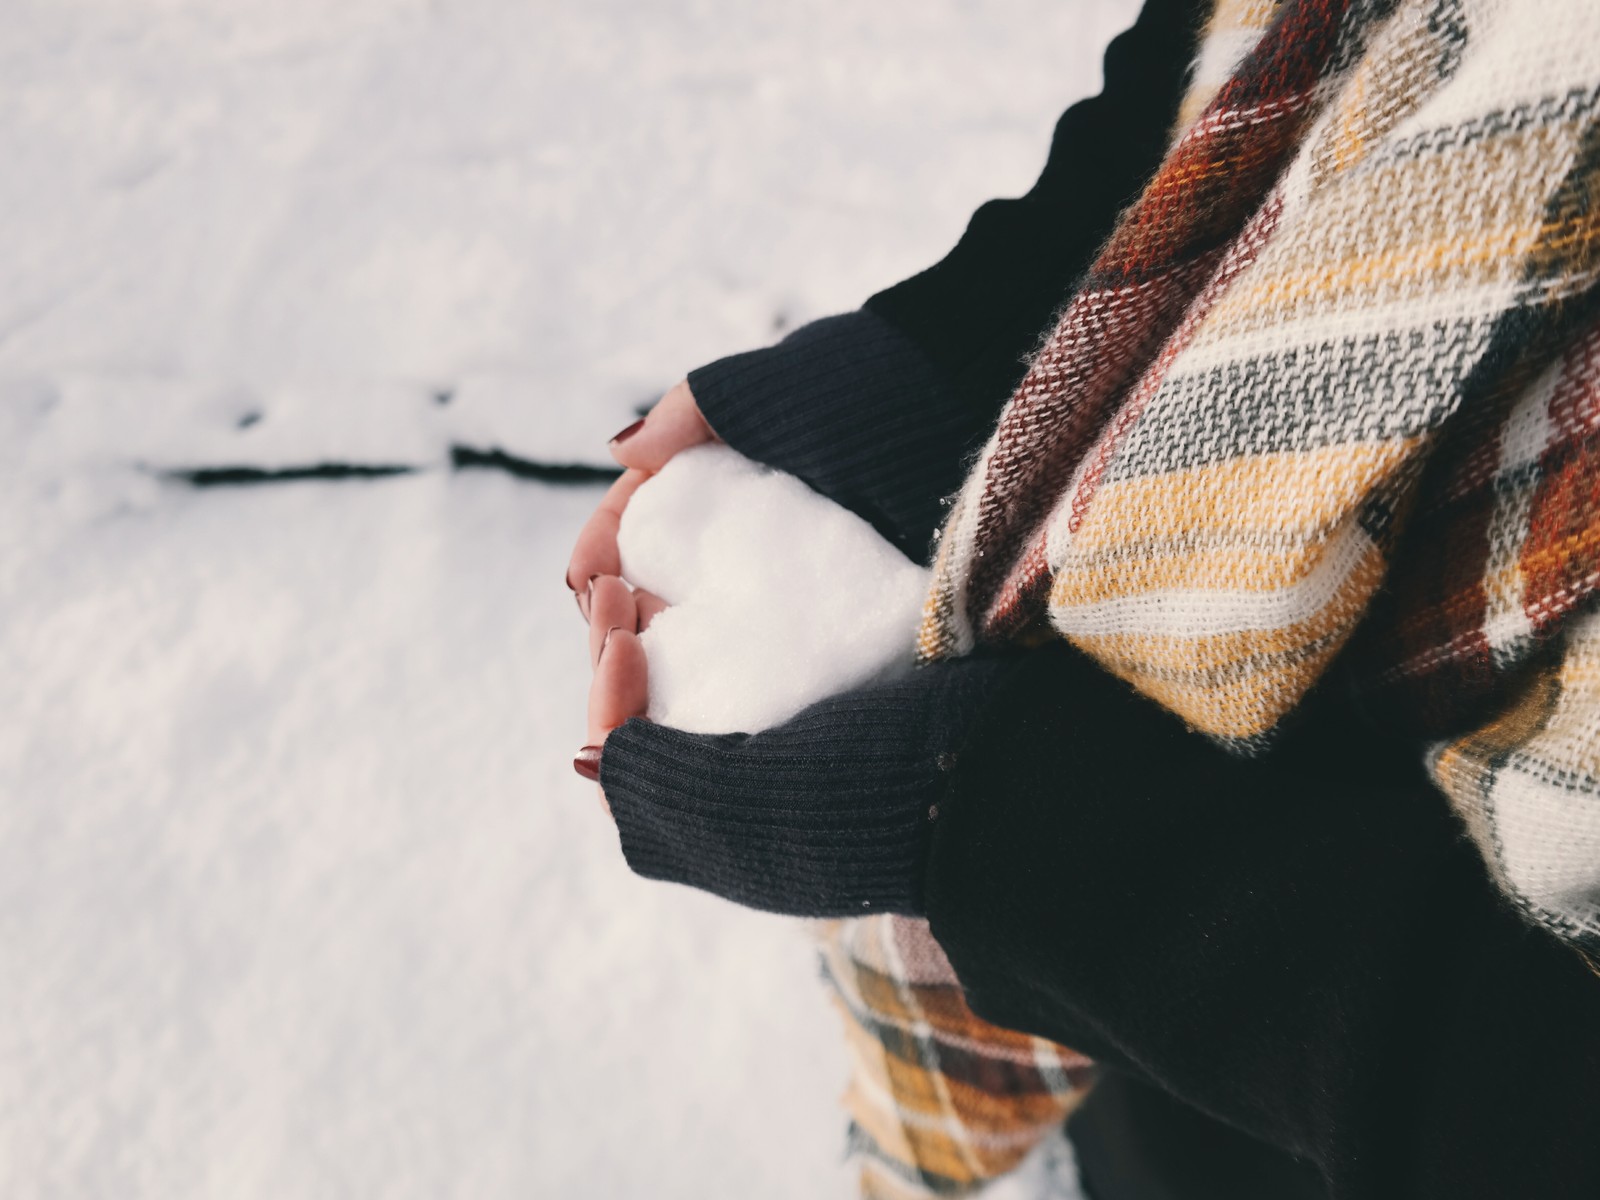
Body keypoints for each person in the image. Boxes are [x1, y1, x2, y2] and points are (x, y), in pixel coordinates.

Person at [566, 0, 1600, 1196]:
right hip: (1165, 941)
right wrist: (980, 339)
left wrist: (1000, 832)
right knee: (1139, 1132)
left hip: (1347, 1072)